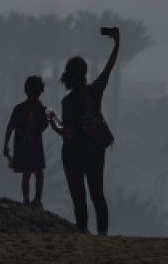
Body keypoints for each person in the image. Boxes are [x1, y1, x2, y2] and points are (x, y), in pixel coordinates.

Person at [50, 26, 120, 235]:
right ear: (85, 73)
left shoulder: (68, 101)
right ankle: (103, 235)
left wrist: (53, 122)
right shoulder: (95, 90)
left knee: (78, 194)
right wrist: (117, 43)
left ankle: (83, 231)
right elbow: (109, 69)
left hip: (73, 153)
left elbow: (68, 133)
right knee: (97, 194)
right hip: (95, 150)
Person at [3, 75, 52, 207]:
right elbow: (43, 126)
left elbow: (10, 127)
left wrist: (6, 145)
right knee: (39, 173)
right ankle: (37, 199)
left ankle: (25, 200)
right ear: (41, 91)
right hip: (35, 146)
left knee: (26, 173)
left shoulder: (19, 108)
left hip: (22, 145)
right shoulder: (43, 110)